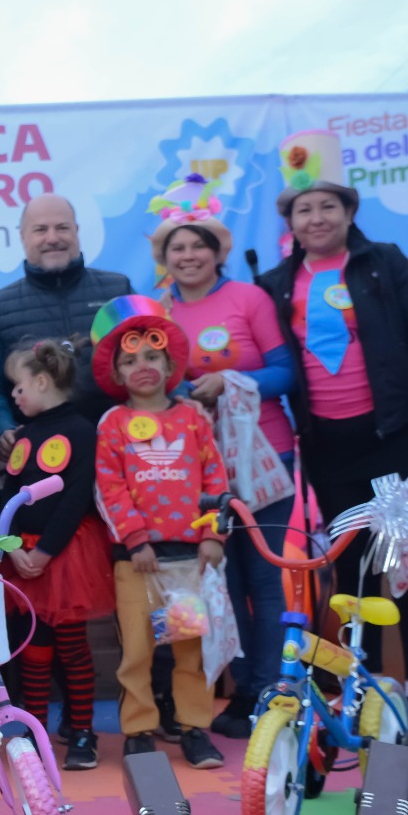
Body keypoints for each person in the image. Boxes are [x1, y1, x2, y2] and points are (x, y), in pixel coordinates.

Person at [259, 131, 408, 697]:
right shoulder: (275, 286)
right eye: (305, 208)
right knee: (350, 572)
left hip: (396, 440)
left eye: (328, 205)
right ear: (290, 221)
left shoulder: (384, 265)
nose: (316, 218)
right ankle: (351, 686)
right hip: (329, 450)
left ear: (348, 211)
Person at [151, 175, 297, 738]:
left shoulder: (249, 299)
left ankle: (268, 690)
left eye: (198, 245)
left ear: (217, 252)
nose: (188, 255)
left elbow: (288, 374)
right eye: (177, 247)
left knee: (264, 579)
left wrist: (230, 379)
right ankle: (235, 694)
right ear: (165, 258)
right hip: (197, 469)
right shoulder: (160, 313)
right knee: (219, 580)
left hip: (266, 458)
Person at [91, 296, 228, 770]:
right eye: (129, 360)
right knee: (136, 650)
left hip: (188, 561)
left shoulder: (193, 418)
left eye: (151, 355)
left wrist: (214, 535)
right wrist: (136, 541)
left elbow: (216, 480)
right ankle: (139, 731)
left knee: (188, 649)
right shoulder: (113, 424)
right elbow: (110, 489)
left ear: (169, 362)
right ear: (117, 373)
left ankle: (194, 728)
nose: (142, 366)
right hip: (137, 563)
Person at [0, 340, 116, 770]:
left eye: (18, 386)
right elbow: (10, 496)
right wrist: (12, 550)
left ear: (43, 382)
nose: (14, 395)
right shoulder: (24, 436)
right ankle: (36, 729)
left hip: (64, 555)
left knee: (70, 645)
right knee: (35, 644)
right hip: (23, 556)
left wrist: (46, 552)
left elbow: (76, 499)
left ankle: (82, 730)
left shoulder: (82, 430)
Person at [0, 195, 134, 473]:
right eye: (40, 230)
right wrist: (2, 428)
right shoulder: (2, 305)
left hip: (121, 449)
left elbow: (155, 354)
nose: (53, 238)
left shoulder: (117, 291)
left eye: (62, 228)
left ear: (76, 232)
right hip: (42, 459)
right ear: (23, 237)